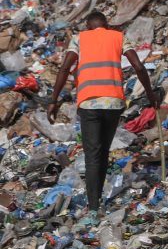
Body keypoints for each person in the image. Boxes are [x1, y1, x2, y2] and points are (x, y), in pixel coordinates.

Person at [47, 11, 158, 217]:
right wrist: (151, 95)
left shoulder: (80, 38)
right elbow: (139, 66)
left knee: (92, 154)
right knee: (103, 151)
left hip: (89, 102)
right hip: (114, 102)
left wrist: (53, 100)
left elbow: (64, 69)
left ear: (88, 26)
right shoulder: (118, 36)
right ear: (106, 26)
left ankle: (94, 207)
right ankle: (97, 201)